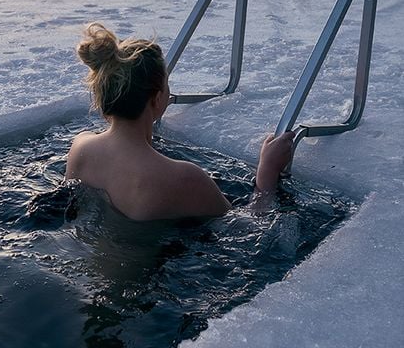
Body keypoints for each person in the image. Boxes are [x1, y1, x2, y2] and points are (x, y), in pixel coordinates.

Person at [65, 23, 294, 222]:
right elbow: (249, 225)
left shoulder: (81, 147)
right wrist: (267, 172)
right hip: (147, 273)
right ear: (156, 99)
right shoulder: (183, 177)